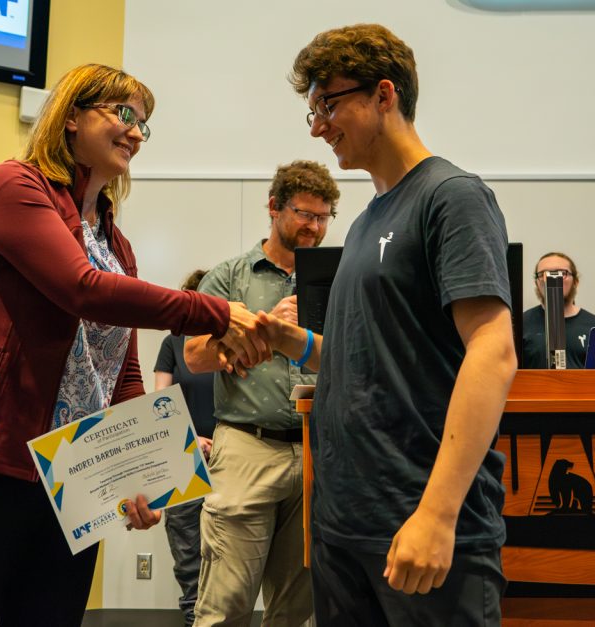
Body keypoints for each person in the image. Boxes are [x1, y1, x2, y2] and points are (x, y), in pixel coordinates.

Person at [0, 63, 269, 627]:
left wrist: (144, 469)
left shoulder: (116, 244)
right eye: (124, 114)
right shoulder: (13, 186)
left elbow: (121, 372)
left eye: (143, 124)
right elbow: (82, 289)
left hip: (68, 481)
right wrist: (213, 312)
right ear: (71, 116)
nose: (137, 133)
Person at [247, 23, 517, 627]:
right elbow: (367, 358)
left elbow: (493, 352)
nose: (317, 127)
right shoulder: (366, 220)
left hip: (418, 524)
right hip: (344, 529)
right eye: (313, 110)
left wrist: (438, 515)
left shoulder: (452, 197)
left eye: (328, 104)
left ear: (384, 94)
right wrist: (294, 342)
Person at [184, 159, 340, 626]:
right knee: (226, 605)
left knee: (296, 610)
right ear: (274, 207)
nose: (315, 227)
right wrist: (267, 326)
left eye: (324, 217)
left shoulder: (340, 277)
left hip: (316, 449)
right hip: (246, 448)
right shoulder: (230, 276)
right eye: (304, 214)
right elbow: (194, 355)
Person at [154, 269, 215, 627]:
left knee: (226, 549)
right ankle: (194, 617)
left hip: (229, 455)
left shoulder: (229, 344)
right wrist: (191, 437)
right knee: (187, 548)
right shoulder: (172, 343)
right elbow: (159, 404)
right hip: (183, 454)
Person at [522, 252, 595, 368]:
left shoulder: (592, 325)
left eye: (562, 273)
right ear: (536, 283)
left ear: (575, 282)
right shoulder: (521, 324)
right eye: (543, 274)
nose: (552, 278)